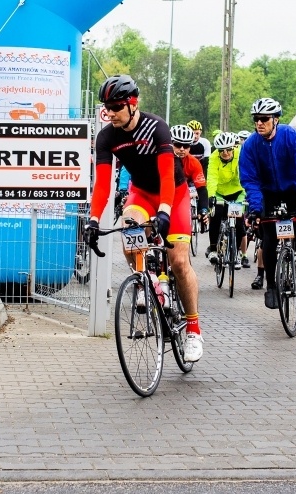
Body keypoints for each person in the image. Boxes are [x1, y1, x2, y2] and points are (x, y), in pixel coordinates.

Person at [84, 74, 204, 362]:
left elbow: (166, 173)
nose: (109, 112)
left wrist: (164, 210)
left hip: (172, 194)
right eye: (107, 107)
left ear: (132, 104)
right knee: (129, 229)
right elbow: (102, 183)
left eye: (115, 106)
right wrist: (93, 220)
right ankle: (143, 281)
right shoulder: (107, 137)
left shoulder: (156, 127)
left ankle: (193, 330)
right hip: (140, 193)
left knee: (178, 261)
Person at [239, 97, 296, 309]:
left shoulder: (291, 137)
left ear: (276, 119)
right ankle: (271, 285)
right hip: (267, 194)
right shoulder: (250, 146)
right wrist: (255, 208)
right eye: (256, 119)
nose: (259, 123)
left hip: (292, 191)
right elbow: (250, 180)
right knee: (269, 240)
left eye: (264, 119)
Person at [205, 132, 249, 269]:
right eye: (221, 151)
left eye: (228, 149)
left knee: (239, 223)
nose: (225, 153)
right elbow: (211, 178)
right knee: (216, 215)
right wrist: (211, 196)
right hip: (220, 193)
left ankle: (235, 254)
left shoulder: (240, 154)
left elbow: (246, 173)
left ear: (233, 148)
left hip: (237, 191)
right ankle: (213, 250)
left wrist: (249, 193)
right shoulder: (213, 158)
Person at [170, 124, 210, 230]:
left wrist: (204, 209)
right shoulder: (162, 157)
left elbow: (201, 189)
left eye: (186, 146)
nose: (182, 149)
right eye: (178, 145)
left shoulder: (194, 162)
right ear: (171, 144)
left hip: (182, 190)